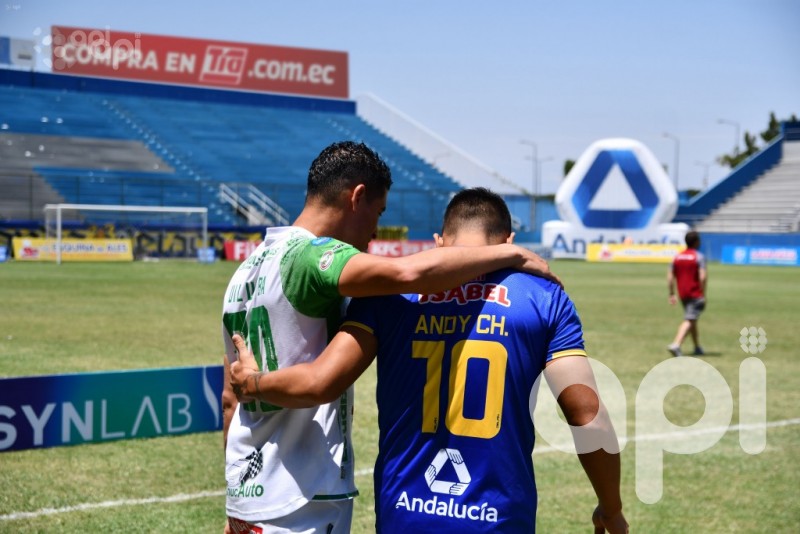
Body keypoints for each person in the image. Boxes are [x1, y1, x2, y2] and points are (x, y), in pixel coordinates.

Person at [230, 187, 628, 533]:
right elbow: (588, 416)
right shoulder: (544, 298)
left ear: (439, 241)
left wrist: (253, 383)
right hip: (500, 519)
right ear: (508, 241)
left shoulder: (386, 297)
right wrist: (611, 507)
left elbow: (323, 379)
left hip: (404, 514)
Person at [667, 230, 707, 357]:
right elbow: (702, 277)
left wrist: (671, 293)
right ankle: (676, 344)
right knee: (689, 319)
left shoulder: (677, 257)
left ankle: (697, 347)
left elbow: (670, 277)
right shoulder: (699, 257)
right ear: (696, 242)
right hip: (695, 293)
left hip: (683, 294)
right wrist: (703, 292)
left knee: (692, 318)